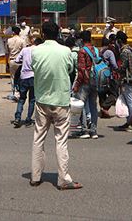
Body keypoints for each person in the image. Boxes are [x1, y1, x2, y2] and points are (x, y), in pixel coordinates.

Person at [29, 21, 81, 190]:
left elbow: (35, 68)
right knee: (61, 141)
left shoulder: (35, 50)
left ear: (42, 34)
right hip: (61, 100)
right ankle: (63, 179)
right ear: (58, 33)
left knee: (38, 138)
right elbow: (70, 69)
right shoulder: (66, 51)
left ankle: (35, 176)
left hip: (42, 99)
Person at [71, 31, 100, 139]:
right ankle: (94, 131)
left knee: (81, 105)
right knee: (93, 106)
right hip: (96, 81)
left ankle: (85, 130)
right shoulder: (96, 50)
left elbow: (81, 70)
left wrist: (77, 85)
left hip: (85, 82)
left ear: (82, 40)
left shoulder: (82, 51)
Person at [14, 38, 41, 127]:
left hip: (24, 76)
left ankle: (18, 117)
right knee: (32, 100)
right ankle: (28, 119)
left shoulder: (25, 50)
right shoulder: (39, 50)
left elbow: (17, 60)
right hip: (34, 76)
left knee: (21, 99)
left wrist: (25, 62)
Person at [115, 31, 132, 131]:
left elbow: (124, 67)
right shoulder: (130, 49)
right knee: (128, 101)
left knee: (129, 102)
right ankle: (129, 122)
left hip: (126, 79)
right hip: (130, 78)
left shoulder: (124, 51)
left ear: (119, 41)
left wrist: (117, 70)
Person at [7, 26, 26, 100]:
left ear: (13, 32)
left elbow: (7, 52)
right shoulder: (22, 41)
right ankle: (19, 92)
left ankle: (14, 92)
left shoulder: (9, 40)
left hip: (12, 60)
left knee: (12, 77)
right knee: (20, 77)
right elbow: (24, 52)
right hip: (20, 61)